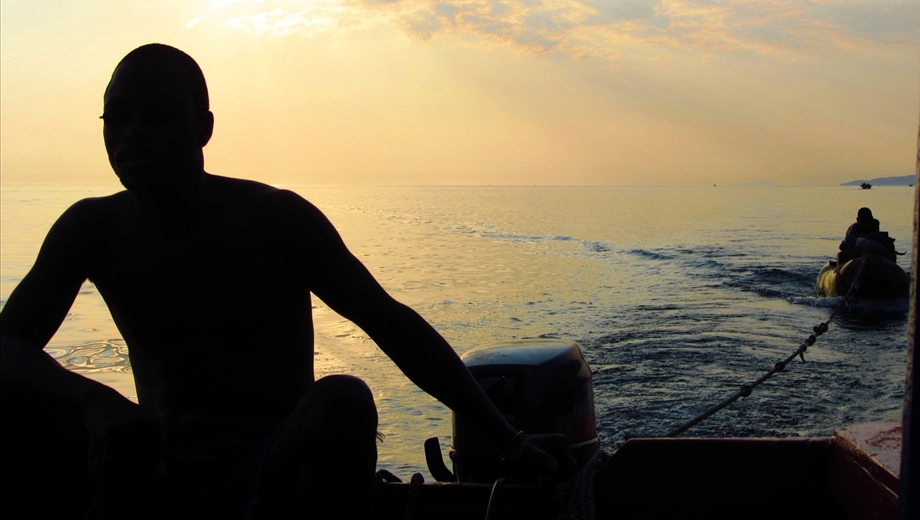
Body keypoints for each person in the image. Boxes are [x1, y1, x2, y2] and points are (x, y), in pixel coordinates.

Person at [0, 44, 572, 519]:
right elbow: (8, 344)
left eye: (158, 114)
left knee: (343, 399)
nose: (134, 134)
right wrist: (94, 398)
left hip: (270, 461)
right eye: (118, 118)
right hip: (154, 462)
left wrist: (507, 438)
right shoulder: (91, 228)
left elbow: (388, 321)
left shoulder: (273, 218)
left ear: (203, 128)